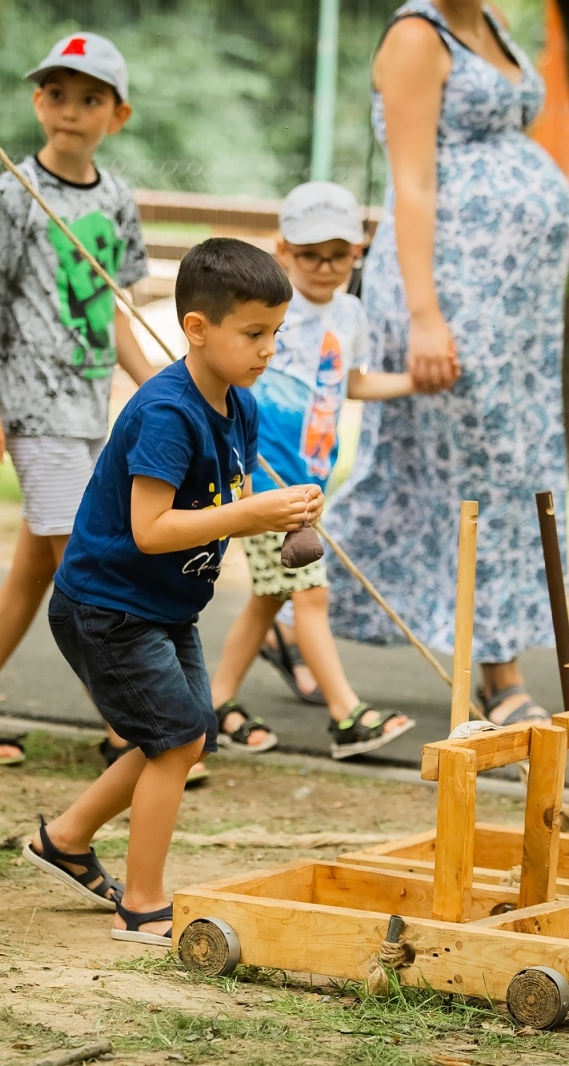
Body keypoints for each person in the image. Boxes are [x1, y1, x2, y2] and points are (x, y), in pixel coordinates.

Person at [26, 238, 319, 943]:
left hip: (164, 605)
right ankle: (144, 902)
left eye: (275, 333)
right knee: (176, 737)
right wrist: (251, 515)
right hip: (107, 605)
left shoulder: (239, 407)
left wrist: (285, 513)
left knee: (185, 741)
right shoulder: (165, 414)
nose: (267, 349)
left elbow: (234, 491)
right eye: (253, 333)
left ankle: (64, 840)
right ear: (197, 328)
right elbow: (152, 528)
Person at [322, 0, 569, 725]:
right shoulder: (415, 36)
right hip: (452, 293)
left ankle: (291, 611)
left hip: (515, 314)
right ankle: (499, 673)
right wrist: (428, 317)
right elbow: (413, 184)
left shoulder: (488, 21)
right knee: (486, 469)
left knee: (414, 471)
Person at [0, 31, 156, 768]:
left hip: (91, 413)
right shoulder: (14, 190)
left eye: (91, 98)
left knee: (36, 568)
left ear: (117, 116)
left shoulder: (117, 200)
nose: (70, 110)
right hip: (32, 410)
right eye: (57, 94)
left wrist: (157, 384)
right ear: (36, 101)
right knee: (86, 566)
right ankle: (131, 725)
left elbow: (116, 308)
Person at [208, 182, 425, 760]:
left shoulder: (351, 313)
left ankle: (216, 703)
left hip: (311, 478)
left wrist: (411, 382)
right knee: (310, 594)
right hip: (265, 480)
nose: (325, 267)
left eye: (340, 254)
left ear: (359, 251)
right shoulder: (271, 312)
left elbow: (350, 382)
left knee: (268, 599)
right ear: (283, 250)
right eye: (310, 254)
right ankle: (346, 716)